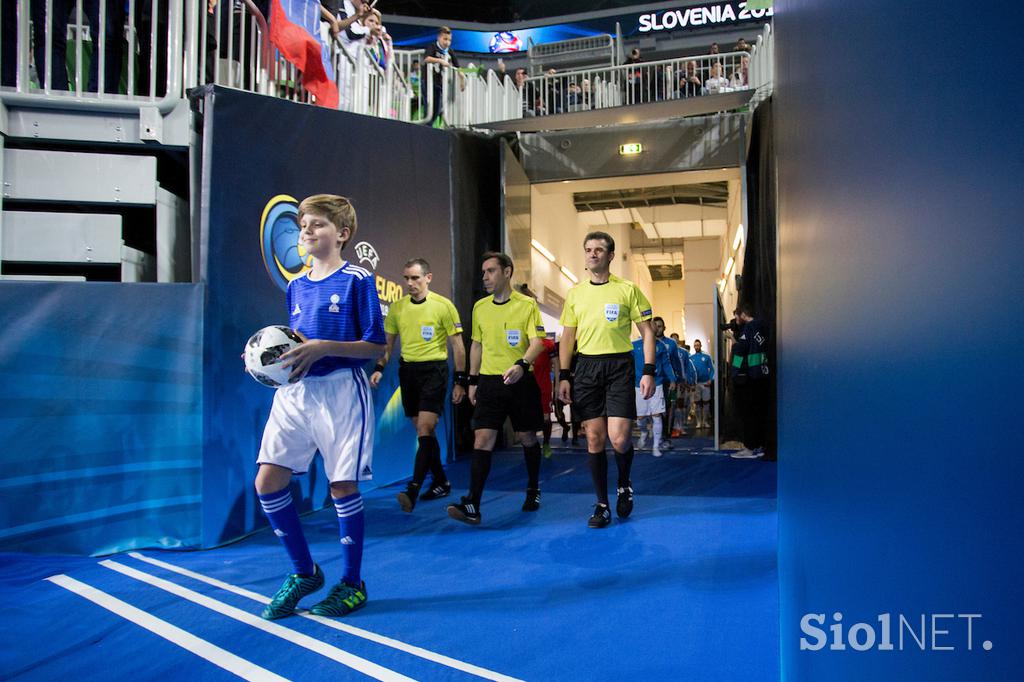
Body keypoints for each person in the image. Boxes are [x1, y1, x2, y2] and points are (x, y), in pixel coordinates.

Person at [253, 194, 385, 620]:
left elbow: (374, 345)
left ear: (342, 234)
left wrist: (325, 347)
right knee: (267, 483)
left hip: (341, 391)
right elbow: (293, 342)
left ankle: (351, 583)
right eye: (303, 225)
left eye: (317, 225)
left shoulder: (357, 280)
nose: (306, 231)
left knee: (341, 487)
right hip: (294, 393)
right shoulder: (296, 285)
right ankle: (304, 572)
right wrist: (263, 359)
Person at [558, 231, 655, 528]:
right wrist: (564, 375)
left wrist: (648, 370)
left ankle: (624, 483)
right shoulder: (575, 293)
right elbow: (568, 337)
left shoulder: (628, 290)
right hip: (587, 367)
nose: (593, 254)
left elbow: (648, 332)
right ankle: (601, 504)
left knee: (620, 438)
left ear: (611, 255)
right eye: (588, 249)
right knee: (594, 437)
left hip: (619, 366)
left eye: (599, 250)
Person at [448, 252, 546, 525]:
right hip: (490, 383)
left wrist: (521, 364)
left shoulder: (527, 305)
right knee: (482, 440)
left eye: (490, 271)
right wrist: (472, 380)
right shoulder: (480, 307)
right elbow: (476, 345)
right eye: (483, 272)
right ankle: (473, 505)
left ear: (507, 272)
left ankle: (533, 488)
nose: (485, 277)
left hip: (519, 379)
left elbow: (538, 342)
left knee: (527, 437)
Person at [371, 258, 466, 512]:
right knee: (423, 431)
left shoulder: (443, 306)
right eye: (407, 278)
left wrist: (460, 380)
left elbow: (458, 346)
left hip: (434, 370)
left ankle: (413, 488)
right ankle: (441, 481)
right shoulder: (398, 309)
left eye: (415, 278)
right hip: (408, 372)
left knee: (426, 426)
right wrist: (380, 367)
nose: (410, 283)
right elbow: (388, 344)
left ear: (428, 278)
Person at [730, 303, 770, 458]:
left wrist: (734, 343)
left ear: (742, 314)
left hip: (750, 377)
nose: (736, 319)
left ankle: (750, 448)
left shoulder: (749, 328)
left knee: (749, 414)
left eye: (736, 315)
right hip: (763, 374)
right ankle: (759, 446)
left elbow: (741, 351)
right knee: (759, 413)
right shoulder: (763, 326)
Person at [632, 325, 677, 458]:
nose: (654, 329)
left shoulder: (661, 345)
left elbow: (666, 364)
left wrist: (673, 379)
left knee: (657, 415)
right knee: (640, 418)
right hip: (638, 385)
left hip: (657, 384)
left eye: (656, 327)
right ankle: (644, 433)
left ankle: (656, 446)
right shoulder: (633, 345)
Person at [651, 316, 682, 450]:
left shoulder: (671, 344)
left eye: (660, 326)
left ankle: (667, 437)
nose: (658, 328)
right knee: (657, 411)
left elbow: (676, 363)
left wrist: (678, 380)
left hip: (670, 383)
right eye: (655, 326)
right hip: (655, 382)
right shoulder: (648, 342)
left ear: (664, 328)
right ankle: (658, 436)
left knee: (669, 410)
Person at [421, 26, 460, 126]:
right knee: (429, 106)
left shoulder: (450, 51)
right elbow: (426, 59)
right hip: (428, 81)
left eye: (449, 40)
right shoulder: (433, 46)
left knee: (437, 108)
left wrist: (462, 78)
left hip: (440, 84)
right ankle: (427, 127)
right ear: (439, 38)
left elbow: (458, 67)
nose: (447, 42)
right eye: (445, 39)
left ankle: (429, 126)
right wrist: (440, 61)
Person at [690, 339, 715, 429]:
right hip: (696, 384)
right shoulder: (691, 358)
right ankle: (698, 422)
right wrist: (691, 383)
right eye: (695, 345)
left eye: (698, 345)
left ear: (701, 346)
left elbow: (712, 369)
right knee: (697, 403)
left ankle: (705, 421)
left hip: (705, 383)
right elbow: (689, 372)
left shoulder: (706, 357)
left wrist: (711, 380)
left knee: (706, 403)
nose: (697, 346)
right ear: (694, 346)